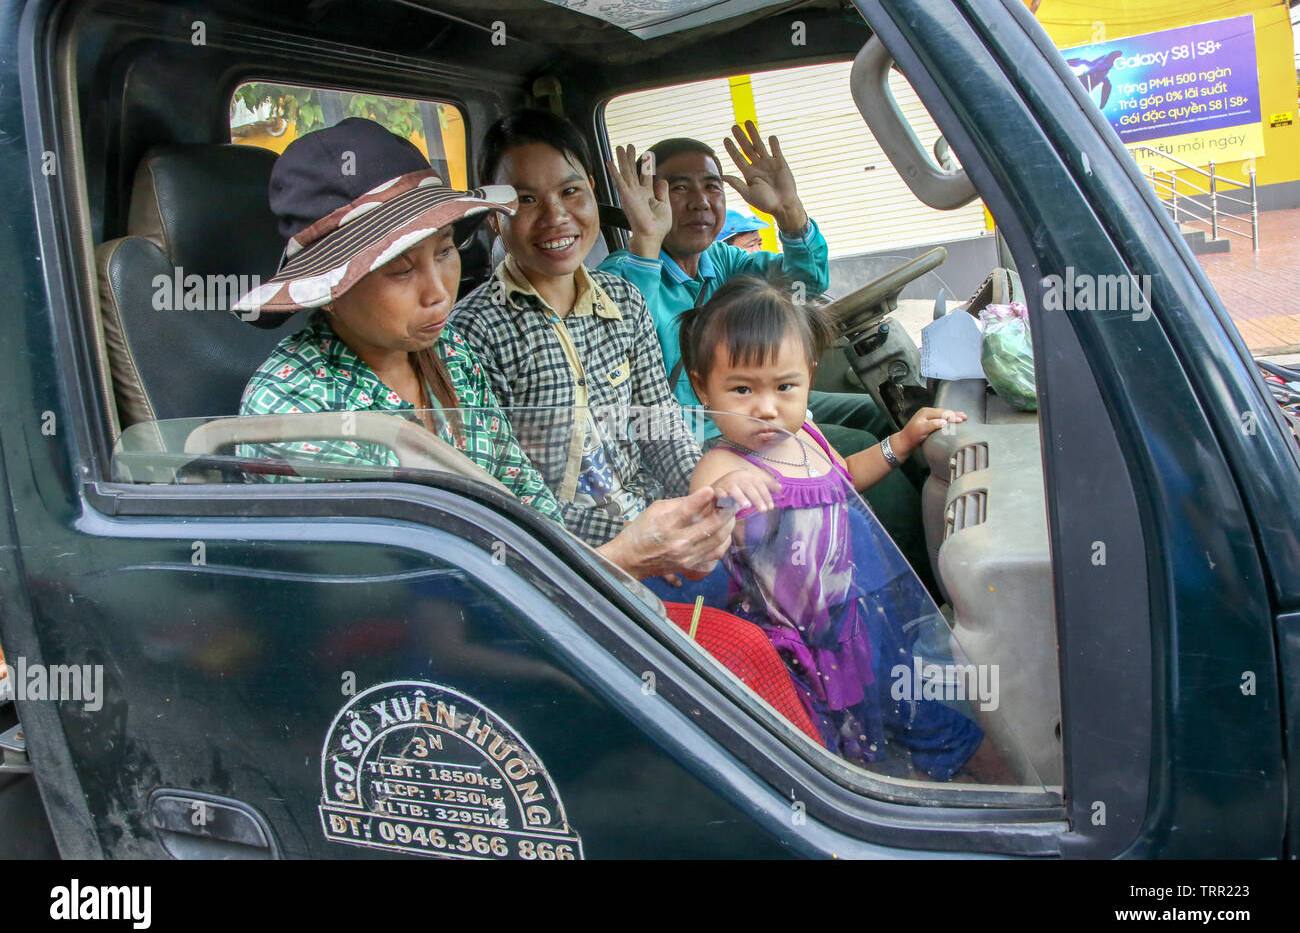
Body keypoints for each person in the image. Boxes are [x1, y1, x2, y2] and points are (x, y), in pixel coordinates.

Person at [233, 117, 736, 582]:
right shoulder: (294, 403)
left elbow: (530, 507)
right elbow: (402, 586)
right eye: (402, 270)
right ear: (331, 287)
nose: (438, 292)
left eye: (446, 251)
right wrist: (623, 559)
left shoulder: (448, 355)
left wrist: (693, 513)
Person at [680, 275, 1003, 781]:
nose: (765, 408)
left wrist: (901, 443)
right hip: (794, 636)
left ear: (808, 377)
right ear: (703, 386)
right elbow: (708, 531)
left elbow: (845, 478)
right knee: (831, 731)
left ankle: (948, 774)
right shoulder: (722, 465)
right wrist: (728, 498)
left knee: (895, 700)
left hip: (857, 610)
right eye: (741, 390)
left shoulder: (806, 435)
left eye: (784, 387)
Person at [599, 125, 934, 591]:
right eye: (678, 188)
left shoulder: (723, 262)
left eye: (711, 186)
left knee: (871, 414)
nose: (700, 201)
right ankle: (915, 586)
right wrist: (646, 242)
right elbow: (628, 332)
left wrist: (789, 214)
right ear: (645, 198)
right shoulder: (625, 273)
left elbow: (804, 285)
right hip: (703, 432)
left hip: (759, 400)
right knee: (869, 462)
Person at [449, 109, 726, 551]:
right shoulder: (471, 332)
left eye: (570, 191)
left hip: (656, 518)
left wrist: (705, 502)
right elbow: (506, 491)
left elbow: (661, 424)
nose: (556, 217)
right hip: (570, 555)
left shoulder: (624, 300)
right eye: (526, 200)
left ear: (592, 193)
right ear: (490, 216)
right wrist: (634, 539)